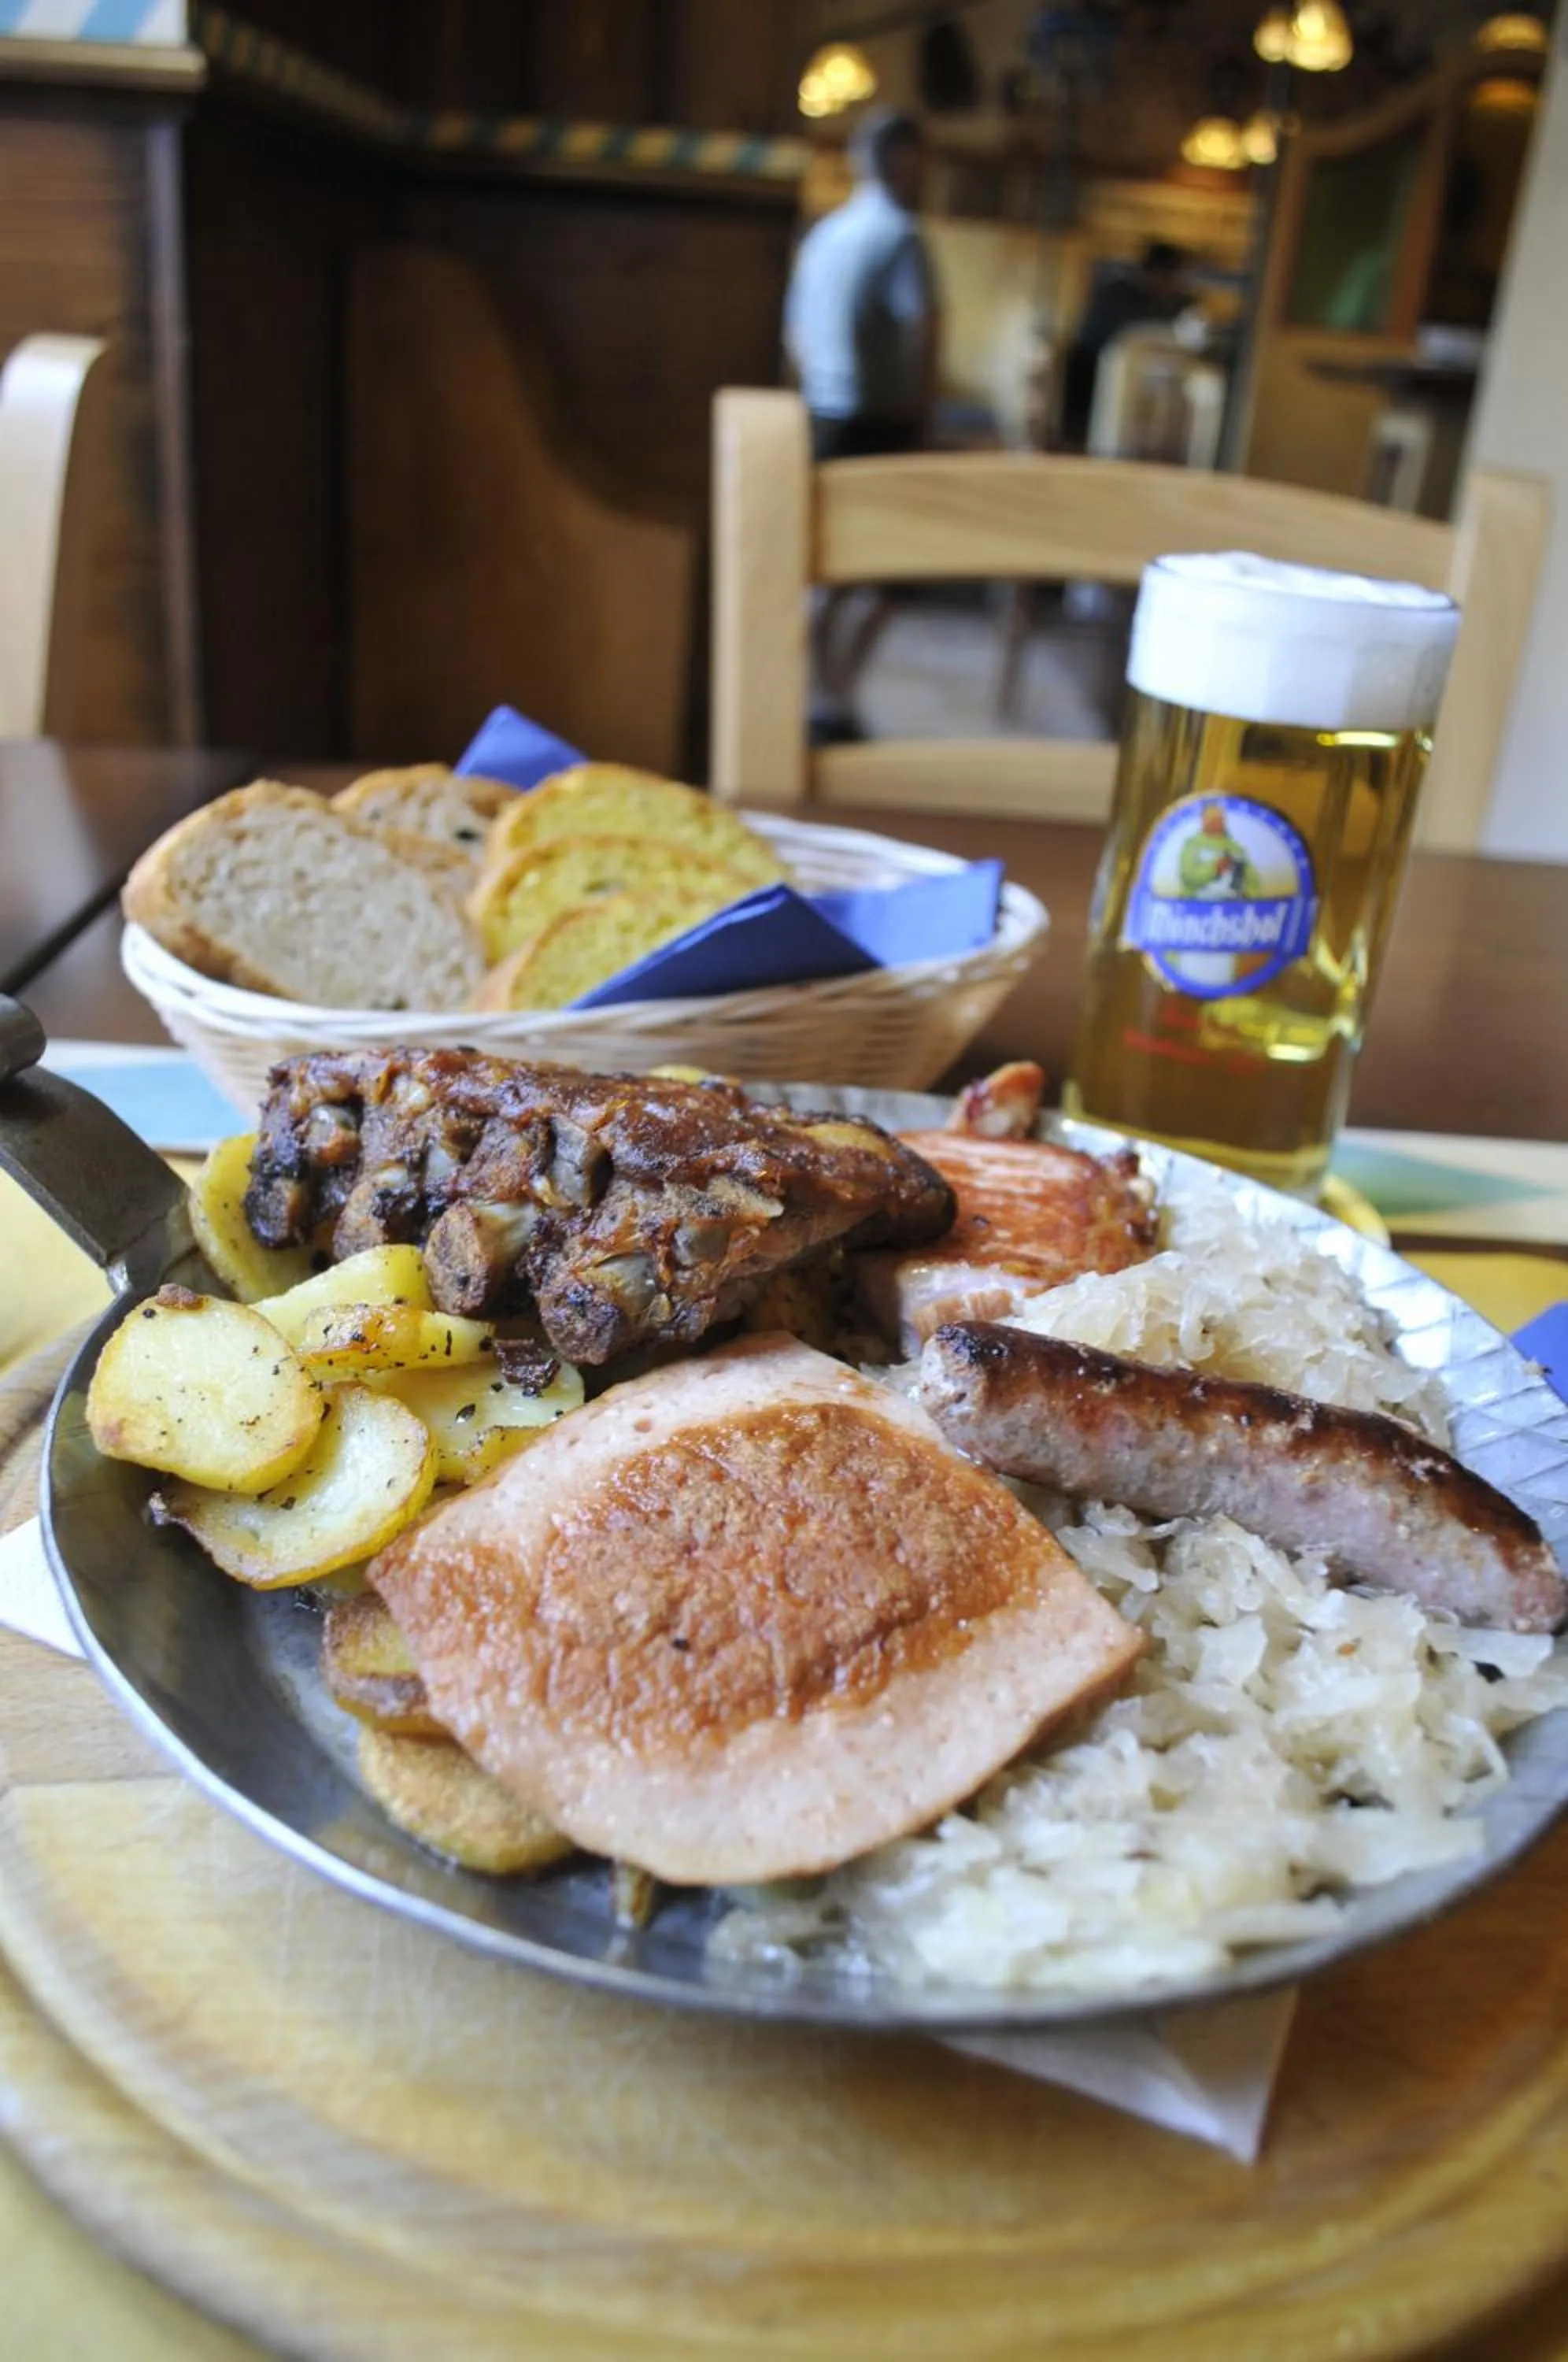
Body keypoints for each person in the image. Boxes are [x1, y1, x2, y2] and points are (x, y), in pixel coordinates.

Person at [785, 109, 940, 738]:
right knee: (888, 576)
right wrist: (925, 416)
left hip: (824, 414)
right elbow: (924, 331)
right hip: (883, 422)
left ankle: (824, 696)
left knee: (827, 569)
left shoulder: (825, 235)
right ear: (902, 160)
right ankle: (838, 697)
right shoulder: (901, 235)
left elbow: (793, 333)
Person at [1061, 239, 1189, 448]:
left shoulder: (1149, 298)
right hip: (1090, 372)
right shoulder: (1121, 295)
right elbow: (1117, 340)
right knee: (1083, 441)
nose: (1171, 284)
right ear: (1157, 272)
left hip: (1104, 374)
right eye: (1170, 277)